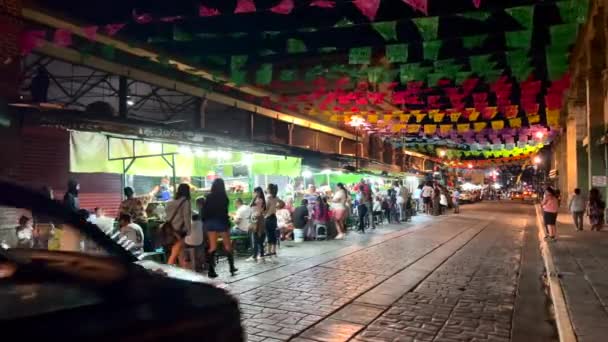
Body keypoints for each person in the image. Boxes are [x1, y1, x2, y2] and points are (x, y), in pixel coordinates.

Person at [202, 179, 237, 277]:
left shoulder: (208, 197)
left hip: (210, 223)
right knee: (227, 245)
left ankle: (211, 270)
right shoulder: (224, 197)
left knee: (212, 247)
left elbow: (204, 211)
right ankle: (231, 267)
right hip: (221, 222)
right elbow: (224, 212)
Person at [165, 184, 192, 267]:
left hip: (169, 230)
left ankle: (183, 272)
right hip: (179, 231)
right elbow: (186, 218)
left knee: (180, 253)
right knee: (176, 252)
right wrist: (189, 232)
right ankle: (167, 270)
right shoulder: (185, 202)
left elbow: (167, 216)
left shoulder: (170, 202)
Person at [249, 186, 266, 263]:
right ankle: (261, 254)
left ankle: (255, 255)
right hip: (258, 219)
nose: (254, 193)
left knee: (256, 238)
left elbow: (251, 205)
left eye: (255, 192)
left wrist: (254, 197)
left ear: (258, 192)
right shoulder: (261, 200)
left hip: (256, 220)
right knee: (259, 238)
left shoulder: (258, 200)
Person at [265, 184, 279, 257]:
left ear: (269, 189)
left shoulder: (268, 197)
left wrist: (263, 213)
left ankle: (268, 251)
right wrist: (276, 207)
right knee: (273, 234)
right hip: (274, 217)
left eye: (267, 188)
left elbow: (266, 208)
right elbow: (282, 203)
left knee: (268, 234)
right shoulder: (275, 197)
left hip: (268, 218)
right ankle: (274, 251)